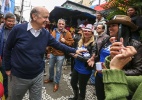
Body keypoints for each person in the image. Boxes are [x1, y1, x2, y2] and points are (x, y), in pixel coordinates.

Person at [3, 6, 86, 100]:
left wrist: (75, 50)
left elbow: (58, 45)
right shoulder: (18, 29)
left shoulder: (45, 34)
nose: (48, 20)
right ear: (34, 16)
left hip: (38, 75)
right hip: (19, 76)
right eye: (45, 17)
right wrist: (8, 68)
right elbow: (7, 49)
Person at [88, 15, 142, 100]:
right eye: (109, 26)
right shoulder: (107, 40)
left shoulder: (135, 45)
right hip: (100, 77)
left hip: (118, 81)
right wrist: (93, 59)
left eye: (113, 25)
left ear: (122, 28)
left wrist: (113, 72)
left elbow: (138, 70)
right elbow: (100, 54)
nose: (110, 28)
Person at [44, 18, 74, 92]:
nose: (61, 25)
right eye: (59, 23)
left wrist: (65, 41)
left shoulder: (67, 33)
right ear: (57, 24)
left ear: (64, 25)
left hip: (61, 54)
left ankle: (56, 82)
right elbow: (49, 42)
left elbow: (71, 43)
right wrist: (48, 52)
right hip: (52, 53)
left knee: (58, 69)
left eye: (62, 24)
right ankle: (51, 79)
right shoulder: (54, 31)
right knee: (50, 67)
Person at [69, 24, 95, 100]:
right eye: (85, 31)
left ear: (92, 33)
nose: (86, 32)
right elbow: (73, 50)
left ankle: (81, 98)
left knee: (82, 86)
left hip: (85, 69)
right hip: (76, 67)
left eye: (88, 31)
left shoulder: (93, 44)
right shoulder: (80, 41)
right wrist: (72, 53)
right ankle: (75, 97)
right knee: (73, 83)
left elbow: (90, 58)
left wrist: (77, 56)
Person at [0, 12, 16, 98]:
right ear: (4, 20)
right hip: (3, 58)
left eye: (13, 21)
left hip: (14, 58)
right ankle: (5, 95)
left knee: (14, 78)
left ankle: (15, 95)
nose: (11, 23)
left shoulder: (17, 30)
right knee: (5, 77)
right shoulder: (1, 30)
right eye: (9, 21)